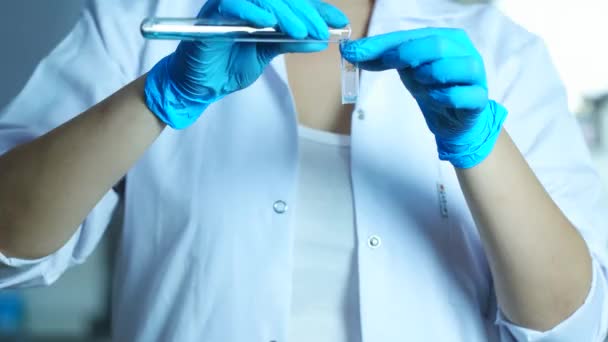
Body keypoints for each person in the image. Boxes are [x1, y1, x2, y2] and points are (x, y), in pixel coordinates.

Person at [0, 0, 606, 340]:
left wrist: (482, 147)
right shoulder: (149, 15)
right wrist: (154, 100)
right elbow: (8, 241)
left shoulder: (504, 50)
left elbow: (575, 325)